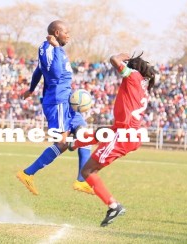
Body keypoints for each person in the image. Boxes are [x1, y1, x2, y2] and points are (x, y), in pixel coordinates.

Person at [69, 52, 158, 226]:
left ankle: (114, 206)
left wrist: (124, 56)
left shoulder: (133, 75)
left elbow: (114, 60)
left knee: (87, 171)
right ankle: (74, 143)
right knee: (103, 132)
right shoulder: (141, 83)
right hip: (123, 132)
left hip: (123, 135)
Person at [16, 20, 94, 195]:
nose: (69, 35)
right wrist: (57, 47)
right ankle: (27, 173)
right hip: (57, 101)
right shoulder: (50, 48)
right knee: (62, 143)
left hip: (67, 100)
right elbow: (56, 73)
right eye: (66, 32)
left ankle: (82, 181)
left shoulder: (54, 49)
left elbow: (39, 70)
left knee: (85, 134)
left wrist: (31, 89)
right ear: (57, 33)